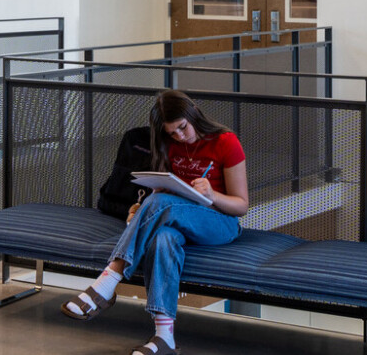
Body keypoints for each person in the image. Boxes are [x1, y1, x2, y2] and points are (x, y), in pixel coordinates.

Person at [61, 90, 250, 355]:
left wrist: (211, 194)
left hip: (219, 223)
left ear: (192, 112)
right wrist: (140, 210)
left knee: (163, 206)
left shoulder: (225, 142)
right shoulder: (169, 143)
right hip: (177, 218)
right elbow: (164, 192)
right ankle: (164, 338)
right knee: (163, 239)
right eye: (172, 133)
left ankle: (108, 281)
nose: (180, 136)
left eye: (182, 128)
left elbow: (241, 205)